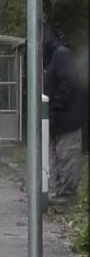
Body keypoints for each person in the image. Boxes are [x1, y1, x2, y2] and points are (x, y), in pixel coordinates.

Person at [43, 26, 85, 206]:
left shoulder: (61, 55)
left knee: (67, 156)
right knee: (58, 157)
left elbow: (71, 81)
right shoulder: (54, 57)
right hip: (58, 121)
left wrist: (54, 105)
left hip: (67, 119)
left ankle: (67, 195)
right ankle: (60, 192)